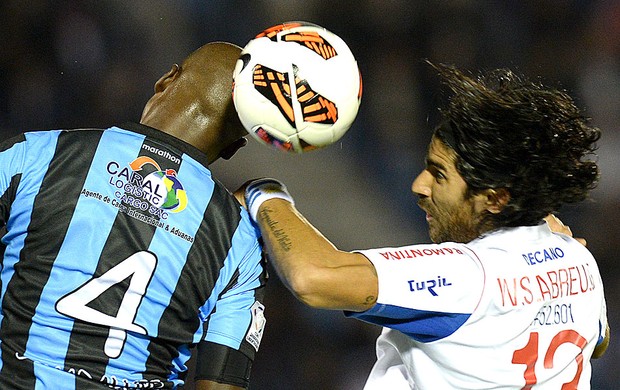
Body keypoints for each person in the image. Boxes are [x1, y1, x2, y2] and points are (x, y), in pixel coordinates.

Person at [237, 63, 610, 388]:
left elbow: (313, 277)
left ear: (496, 198)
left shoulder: (466, 275)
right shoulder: (579, 260)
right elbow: (598, 340)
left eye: (439, 175)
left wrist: (266, 195)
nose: (419, 185)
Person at [0, 42, 267, 389]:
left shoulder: (35, 155)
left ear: (165, 81)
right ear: (234, 148)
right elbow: (220, 385)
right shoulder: (241, 241)